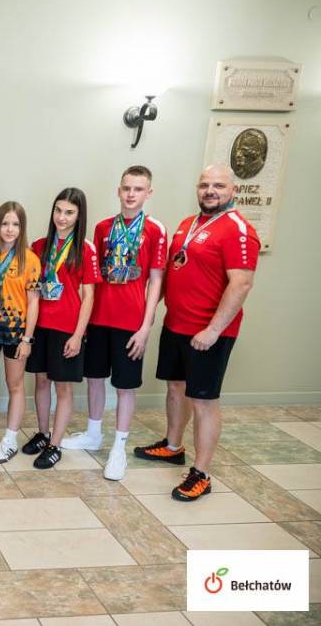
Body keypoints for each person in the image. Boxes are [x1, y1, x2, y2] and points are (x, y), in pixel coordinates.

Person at [135, 164, 259, 501]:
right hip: (176, 325)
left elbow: (242, 283)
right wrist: (149, 314)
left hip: (208, 333)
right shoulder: (188, 224)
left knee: (203, 400)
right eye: (204, 185)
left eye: (218, 185)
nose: (210, 191)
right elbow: (173, 271)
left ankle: (201, 473)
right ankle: (173, 446)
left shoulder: (238, 230)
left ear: (233, 190)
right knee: (175, 387)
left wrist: (213, 330)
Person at [61, 166, 166, 481]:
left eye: (138, 189)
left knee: (125, 386)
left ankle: (119, 447)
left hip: (131, 322)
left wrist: (146, 327)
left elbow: (156, 281)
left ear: (149, 193)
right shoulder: (103, 227)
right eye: (126, 188)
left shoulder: (156, 230)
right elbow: (92, 278)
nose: (131, 194)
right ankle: (94, 434)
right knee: (94, 379)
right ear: (119, 190)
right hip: (98, 319)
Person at [24, 188, 101, 469]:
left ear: (79, 216)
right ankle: (43, 433)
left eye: (69, 212)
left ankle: (55, 445)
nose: (62, 217)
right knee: (41, 382)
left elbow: (89, 296)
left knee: (63, 388)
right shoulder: (39, 246)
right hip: (40, 325)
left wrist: (78, 335)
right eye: (58, 210)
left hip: (67, 329)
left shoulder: (86, 249)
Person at [0, 202, 41, 464]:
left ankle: (11, 438)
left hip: (16, 330)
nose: (10, 229)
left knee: (15, 384)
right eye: (5, 223)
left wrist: (27, 338)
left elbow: (33, 302)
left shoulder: (30, 259)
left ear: (22, 228)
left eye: (15, 224)